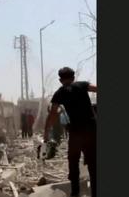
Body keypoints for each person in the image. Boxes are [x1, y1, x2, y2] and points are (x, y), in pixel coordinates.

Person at [43, 67, 97, 197]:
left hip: (76, 132)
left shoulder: (59, 93)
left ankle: (75, 193)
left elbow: (53, 114)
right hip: (91, 129)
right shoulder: (82, 85)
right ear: (73, 78)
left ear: (60, 80)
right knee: (93, 163)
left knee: (73, 162)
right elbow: (96, 88)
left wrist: (46, 131)